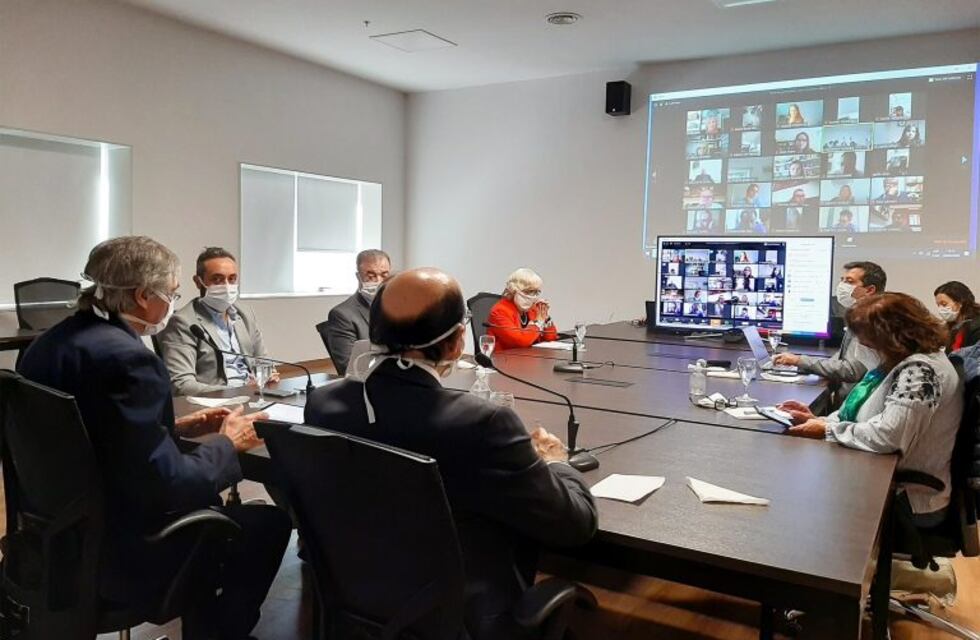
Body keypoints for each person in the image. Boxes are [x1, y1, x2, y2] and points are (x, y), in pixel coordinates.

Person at [16, 236, 290, 640]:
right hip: (125, 546)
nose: (172, 304)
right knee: (267, 523)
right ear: (144, 295)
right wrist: (227, 442)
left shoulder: (45, 345)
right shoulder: (131, 360)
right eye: (173, 293)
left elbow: (90, 430)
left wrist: (173, 428)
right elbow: (170, 486)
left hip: (58, 535)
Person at [303, 268, 597, 639]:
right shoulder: (483, 422)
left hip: (358, 597)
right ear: (458, 341)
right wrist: (555, 462)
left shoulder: (323, 404)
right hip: (462, 615)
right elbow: (575, 524)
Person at [779, 293, 962, 526]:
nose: (863, 344)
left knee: (795, 500)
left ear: (891, 335)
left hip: (905, 494)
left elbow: (889, 436)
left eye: (867, 338)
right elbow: (866, 415)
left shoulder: (920, 372)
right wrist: (822, 421)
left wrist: (828, 431)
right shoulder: (900, 360)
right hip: (878, 474)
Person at [158, 246, 275, 396]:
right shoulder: (183, 322)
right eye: (217, 279)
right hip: (217, 403)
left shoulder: (245, 314)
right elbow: (181, 384)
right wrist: (237, 391)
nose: (227, 286)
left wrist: (268, 375)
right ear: (198, 282)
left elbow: (263, 361)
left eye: (232, 279)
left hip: (254, 395)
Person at [775, 261, 887, 391]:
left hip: (854, 403)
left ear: (869, 290)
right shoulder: (860, 315)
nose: (842, 286)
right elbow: (842, 357)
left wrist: (799, 361)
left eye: (849, 282)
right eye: (842, 280)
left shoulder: (872, 322)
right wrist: (801, 361)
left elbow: (851, 371)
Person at [323, 249, 391, 375]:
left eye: (384, 275)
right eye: (371, 276)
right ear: (358, 277)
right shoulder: (342, 315)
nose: (379, 281)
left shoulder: (399, 307)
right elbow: (349, 367)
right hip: (372, 384)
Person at [487, 268, 559, 350]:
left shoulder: (532, 309)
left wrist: (545, 318)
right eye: (529, 291)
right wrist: (538, 322)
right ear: (513, 290)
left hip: (528, 357)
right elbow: (520, 341)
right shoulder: (499, 311)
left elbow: (551, 338)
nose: (534, 296)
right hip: (505, 359)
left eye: (536, 292)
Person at [935, 281, 980, 351]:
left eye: (944, 304)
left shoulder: (976, 327)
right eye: (938, 305)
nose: (940, 309)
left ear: (959, 303)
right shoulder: (950, 329)